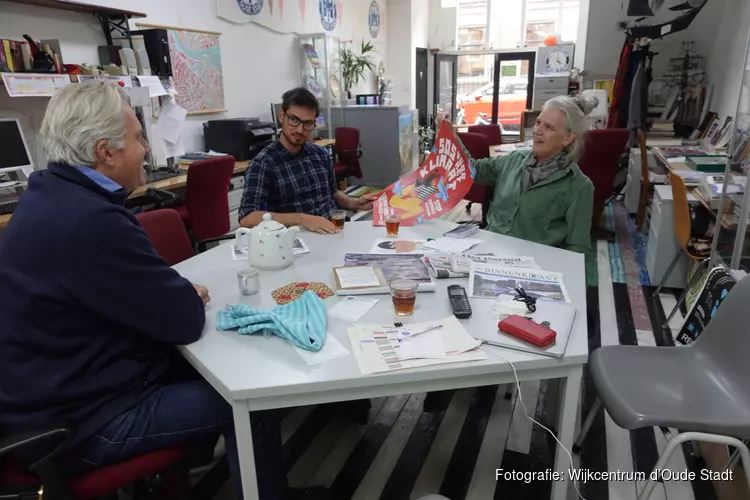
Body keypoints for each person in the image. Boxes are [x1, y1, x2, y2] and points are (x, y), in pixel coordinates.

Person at [0, 82, 323, 500]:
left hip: (44, 394)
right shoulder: (94, 222)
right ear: (105, 151)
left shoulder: (46, 195)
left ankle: (188, 462)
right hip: (79, 423)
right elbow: (185, 321)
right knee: (251, 402)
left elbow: (122, 293)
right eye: (138, 139)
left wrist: (165, 292)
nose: (147, 151)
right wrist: (177, 294)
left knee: (207, 365)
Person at [441, 95, 596, 256]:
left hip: (532, 269)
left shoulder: (579, 186)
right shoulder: (513, 160)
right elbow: (470, 170)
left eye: (548, 127)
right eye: (537, 123)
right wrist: (451, 137)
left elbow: (578, 248)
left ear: (568, 137)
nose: (537, 131)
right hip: (487, 254)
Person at [239, 87, 378, 233]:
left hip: (335, 231)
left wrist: (354, 203)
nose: (300, 130)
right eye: (294, 119)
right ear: (282, 117)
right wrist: (302, 219)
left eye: (308, 123)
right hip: (297, 242)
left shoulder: (321, 154)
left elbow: (333, 193)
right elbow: (247, 217)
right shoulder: (263, 164)